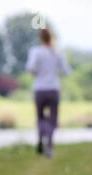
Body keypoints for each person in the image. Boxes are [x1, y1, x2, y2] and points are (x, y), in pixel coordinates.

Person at [26, 28, 71, 158]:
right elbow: (66, 70)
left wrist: (37, 73)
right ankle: (49, 145)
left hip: (39, 88)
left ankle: (41, 138)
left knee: (40, 117)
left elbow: (30, 68)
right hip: (53, 89)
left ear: (40, 38)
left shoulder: (35, 52)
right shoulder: (56, 52)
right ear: (51, 37)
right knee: (52, 119)